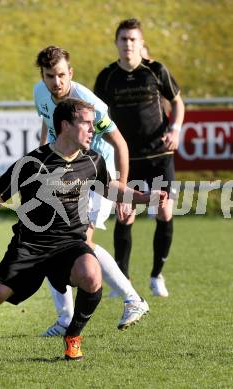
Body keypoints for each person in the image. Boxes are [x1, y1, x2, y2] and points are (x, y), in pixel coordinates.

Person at [0, 98, 167, 365]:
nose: (92, 129)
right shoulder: (32, 163)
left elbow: (110, 187)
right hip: (30, 245)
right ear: (66, 125)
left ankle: (73, 337)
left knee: (91, 274)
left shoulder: (92, 161)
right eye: (86, 123)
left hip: (70, 243)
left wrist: (145, 198)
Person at [33, 46, 149, 336]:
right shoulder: (39, 93)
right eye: (50, 76)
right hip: (67, 175)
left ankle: (133, 299)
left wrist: (124, 189)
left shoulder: (88, 104)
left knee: (80, 244)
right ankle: (65, 319)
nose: (56, 82)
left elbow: (119, 144)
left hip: (99, 176)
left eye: (61, 75)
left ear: (70, 73)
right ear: (42, 76)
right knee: (51, 240)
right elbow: (48, 128)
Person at [94, 18, 185, 297]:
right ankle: (123, 280)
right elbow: (98, 117)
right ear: (117, 44)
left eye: (133, 39)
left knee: (164, 210)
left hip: (159, 154)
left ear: (141, 43)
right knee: (125, 216)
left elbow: (177, 103)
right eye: (123, 39)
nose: (128, 44)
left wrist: (175, 129)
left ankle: (157, 275)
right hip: (125, 158)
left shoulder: (155, 71)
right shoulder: (107, 77)